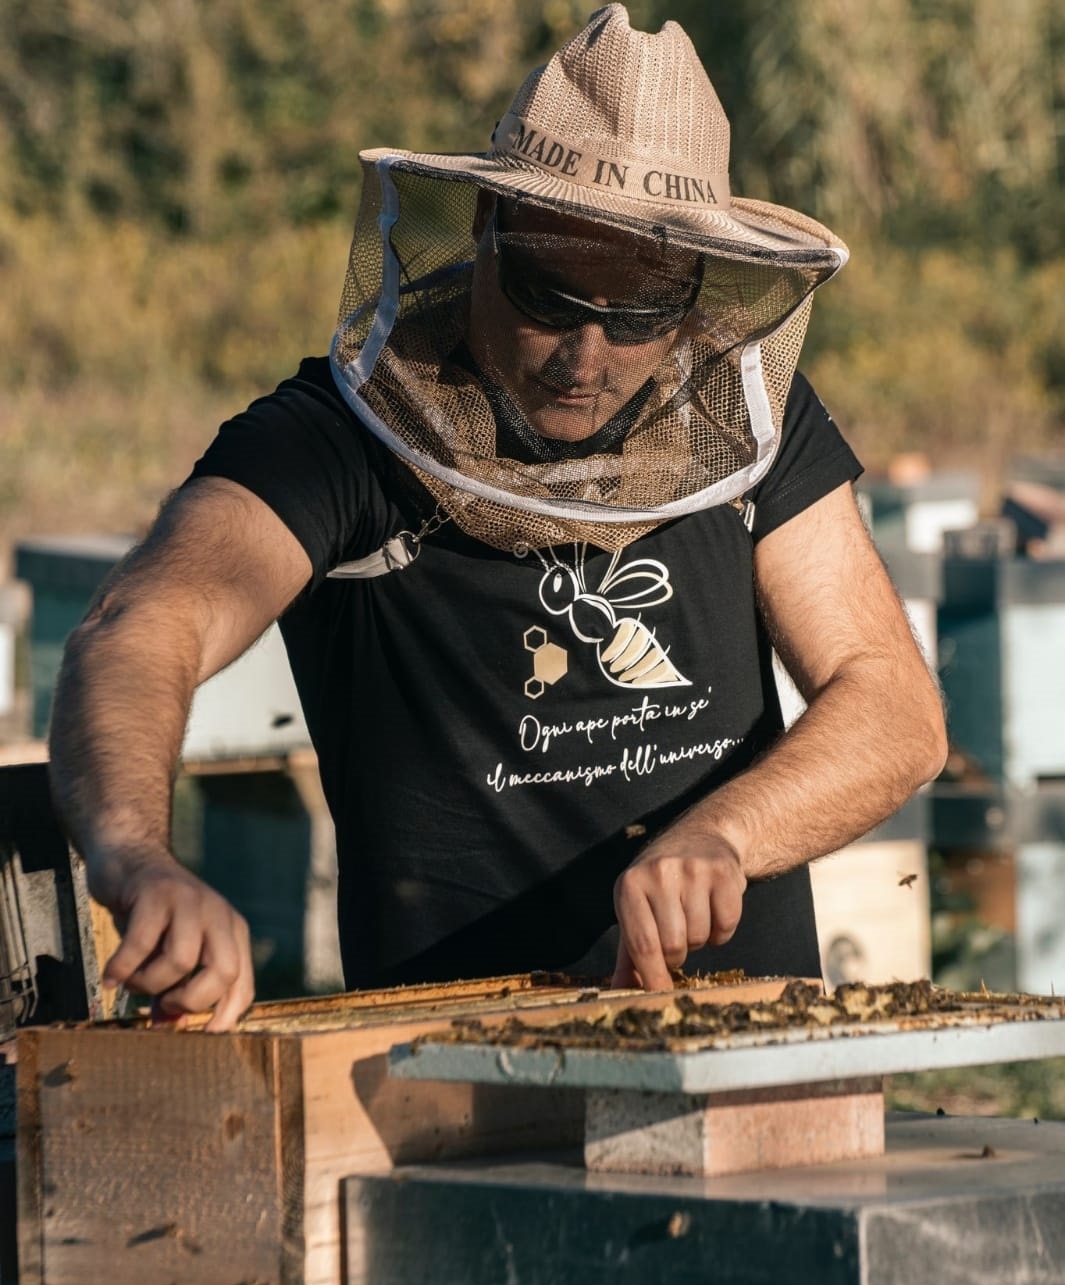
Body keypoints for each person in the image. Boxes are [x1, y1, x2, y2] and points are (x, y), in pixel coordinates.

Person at [47, 5, 946, 1031]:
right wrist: (138, 859)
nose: (586, 353)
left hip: (750, 1049)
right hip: (456, 1076)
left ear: (697, 292)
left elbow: (895, 709)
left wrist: (728, 834)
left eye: (641, 312)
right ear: (485, 232)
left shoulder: (743, 425)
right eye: (549, 293)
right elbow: (140, 626)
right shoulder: (334, 443)